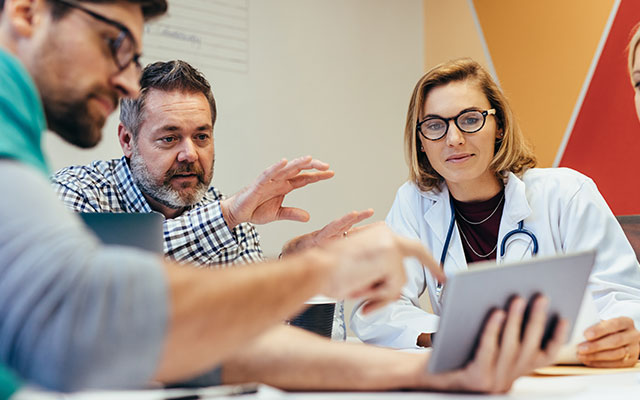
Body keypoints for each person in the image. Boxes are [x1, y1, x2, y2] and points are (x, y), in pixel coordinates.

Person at [0, 0, 566, 394]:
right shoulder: (67, 184)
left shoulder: (22, 138)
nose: (125, 79)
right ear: (25, 13)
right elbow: (98, 310)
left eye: (201, 135)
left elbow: (231, 342)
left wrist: (429, 374)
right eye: (112, 43)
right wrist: (307, 269)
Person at [351, 57, 640, 368]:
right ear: (421, 141)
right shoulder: (414, 202)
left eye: (471, 119)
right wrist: (452, 335)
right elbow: (376, 308)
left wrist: (622, 334)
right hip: (470, 380)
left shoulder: (567, 193)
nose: (454, 139)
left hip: (564, 376)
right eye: (435, 126)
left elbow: (624, 298)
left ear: (499, 126)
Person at [50, 60, 371, 338]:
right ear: (127, 140)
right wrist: (227, 215)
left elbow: (255, 325)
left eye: (201, 136)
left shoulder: (225, 211)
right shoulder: (76, 194)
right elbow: (92, 297)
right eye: (169, 138)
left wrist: (294, 263)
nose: (189, 154)